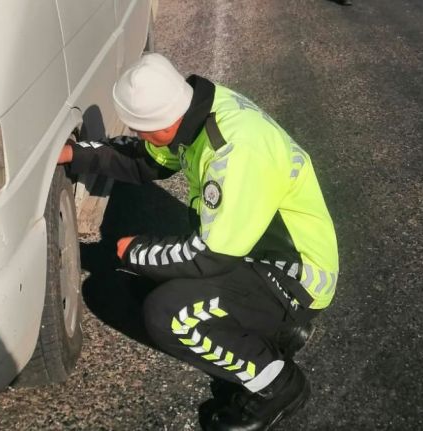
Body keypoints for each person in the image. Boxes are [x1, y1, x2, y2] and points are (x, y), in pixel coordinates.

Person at [58, 53, 339, 431]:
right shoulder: (192, 111)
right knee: (139, 282)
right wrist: (76, 154)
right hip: (253, 254)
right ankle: (276, 331)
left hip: (295, 276)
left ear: (160, 122)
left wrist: (137, 249)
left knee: (168, 314)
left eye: (141, 128)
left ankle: (277, 384)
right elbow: (144, 160)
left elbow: (210, 256)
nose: (139, 134)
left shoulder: (235, 151)